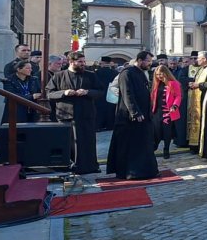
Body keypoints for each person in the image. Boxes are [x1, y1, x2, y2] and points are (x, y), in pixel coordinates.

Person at [105, 51, 159, 181]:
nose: (149, 64)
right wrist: (135, 112)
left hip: (143, 116)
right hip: (129, 118)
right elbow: (127, 94)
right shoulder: (127, 73)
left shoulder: (140, 73)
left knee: (143, 144)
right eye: (148, 61)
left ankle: (145, 171)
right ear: (140, 60)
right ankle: (131, 172)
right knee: (130, 145)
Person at [46, 51, 101, 173]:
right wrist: (64, 93)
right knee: (70, 142)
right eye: (80, 62)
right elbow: (49, 93)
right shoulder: (59, 76)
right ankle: (71, 165)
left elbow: (99, 91)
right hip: (66, 114)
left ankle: (90, 166)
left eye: (84, 61)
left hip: (86, 114)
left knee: (88, 140)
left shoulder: (91, 75)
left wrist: (87, 92)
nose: (83, 64)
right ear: (71, 62)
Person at [150, 63, 183, 160]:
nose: (159, 76)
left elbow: (178, 96)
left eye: (160, 74)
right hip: (157, 111)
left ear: (165, 73)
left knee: (167, 132)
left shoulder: (173, 83)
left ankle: (166, 149)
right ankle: (154, 147)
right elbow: (152, 97)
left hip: (168, 112)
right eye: (157, 74)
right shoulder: (156, 84)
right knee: (156, 131)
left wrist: (175, 105)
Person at [0, 59, 43, 125]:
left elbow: (38, 91)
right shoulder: (8, 80)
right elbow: (12, 95)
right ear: (19, 69)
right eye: (27, 68)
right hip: (16, 110)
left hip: (32, 109)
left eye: (31, 68)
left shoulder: (34, 79)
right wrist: (32, 96)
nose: (30, 70)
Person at [185, 52, 207, 153]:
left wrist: (198, 85)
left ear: (204, 59)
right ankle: (194, 145)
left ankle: (200, 146)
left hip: (203, 100)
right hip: (196, 100)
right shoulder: (201, 69)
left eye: (199, 59)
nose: (197, 60)